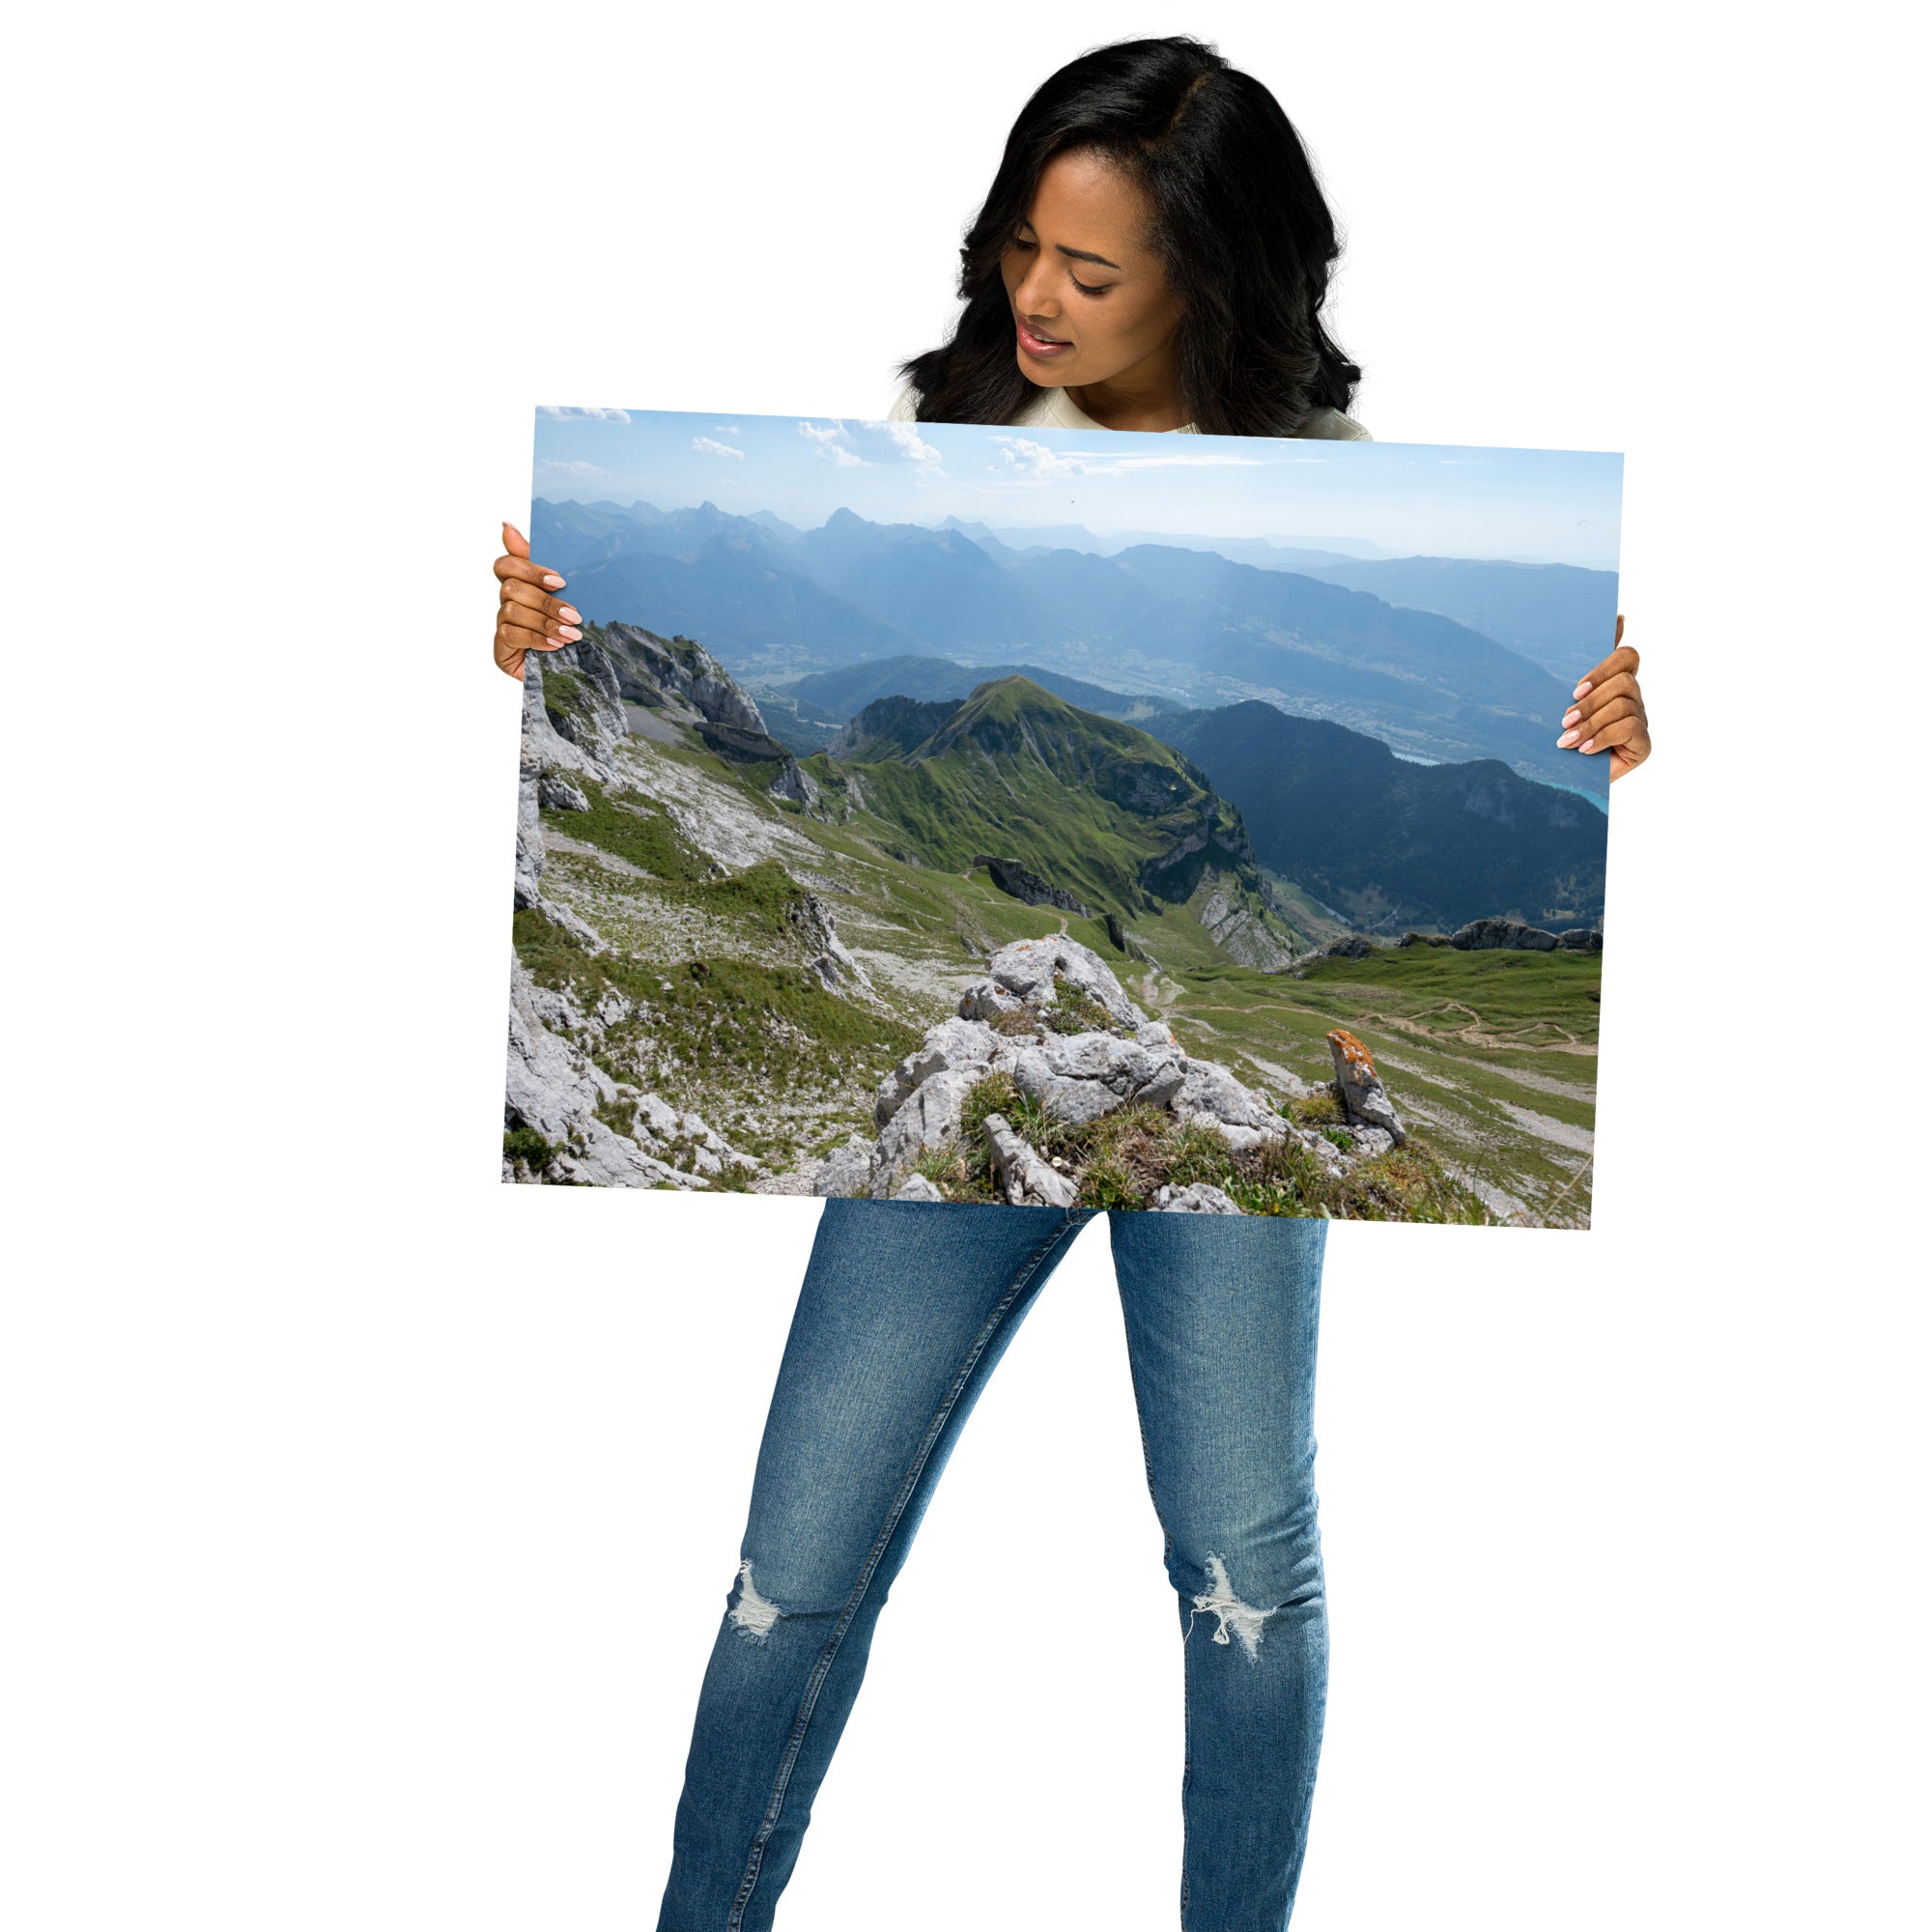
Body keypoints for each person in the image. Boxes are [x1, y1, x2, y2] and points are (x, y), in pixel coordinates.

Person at [489, 37, 1652, 1932]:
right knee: (793, 1553)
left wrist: (1623, 735)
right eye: (1024, 245)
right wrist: (537, 648)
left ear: (1216, 274)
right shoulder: (936, 428)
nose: (1036, 295)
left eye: (1090, 272)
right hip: (987, 1051)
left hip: (1192, 1092)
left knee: (1240, 1557)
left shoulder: (1330, 478)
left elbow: (1607, 763)